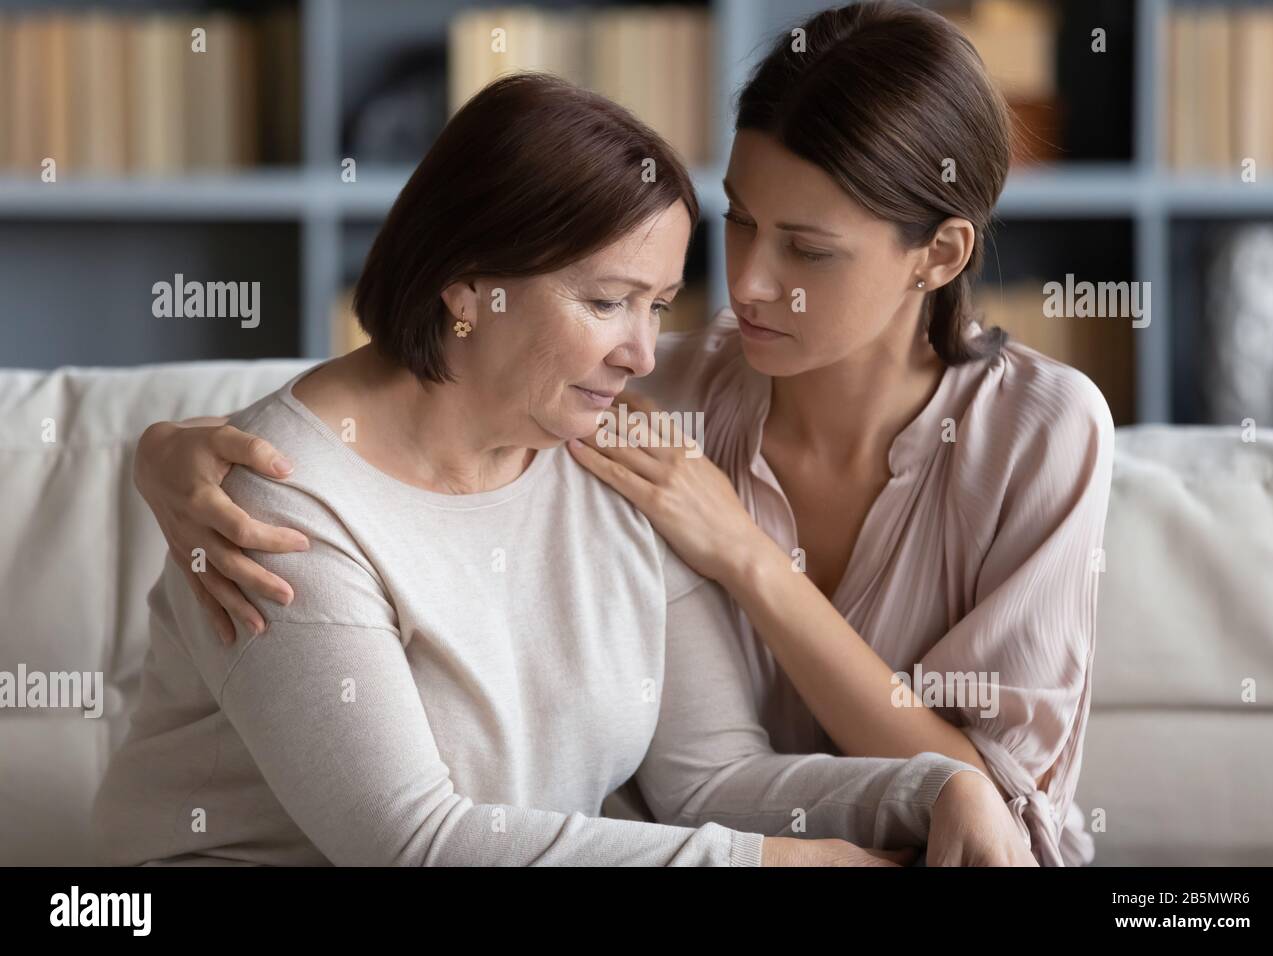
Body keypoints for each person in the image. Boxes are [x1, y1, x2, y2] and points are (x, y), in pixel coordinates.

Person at [94, 70, 1029, 867]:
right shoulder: (276, 496)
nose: (643, 353)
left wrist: (938, 791)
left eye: (659, 304)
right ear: (465, 285)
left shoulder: (618, 457)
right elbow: (412, 844)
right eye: (608, 302)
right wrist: (778, 862)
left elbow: (711, 781)